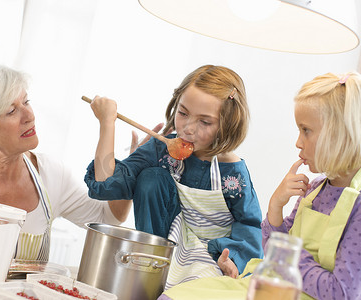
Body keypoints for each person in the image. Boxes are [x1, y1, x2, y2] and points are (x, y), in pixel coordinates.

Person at [158, 71, 361, 300]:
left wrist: (287, 261)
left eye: (306, 130)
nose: (298, 142)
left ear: (340, 135)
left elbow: (342, 292)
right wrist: (276, 208)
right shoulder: (316, 189)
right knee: (176, 295)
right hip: (276, 289)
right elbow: (272, 253)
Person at [84, 65, 263, 288]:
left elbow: (250, 225)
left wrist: (233, 259)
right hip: (160, 253)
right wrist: (107, 123)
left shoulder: (233, 173)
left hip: (210, 257)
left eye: (204, 122)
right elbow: (105, 184)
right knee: (152, 178)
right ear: (175, 104)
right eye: (183, 113)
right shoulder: (160, 149)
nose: (188, 128)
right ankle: (148, 274)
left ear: (227, 124)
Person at [0, 64, 131, 261]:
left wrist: (132, 169)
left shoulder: (53, 174)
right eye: (11, 111)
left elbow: (107, 218)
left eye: (26, 102)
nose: (29, 116)